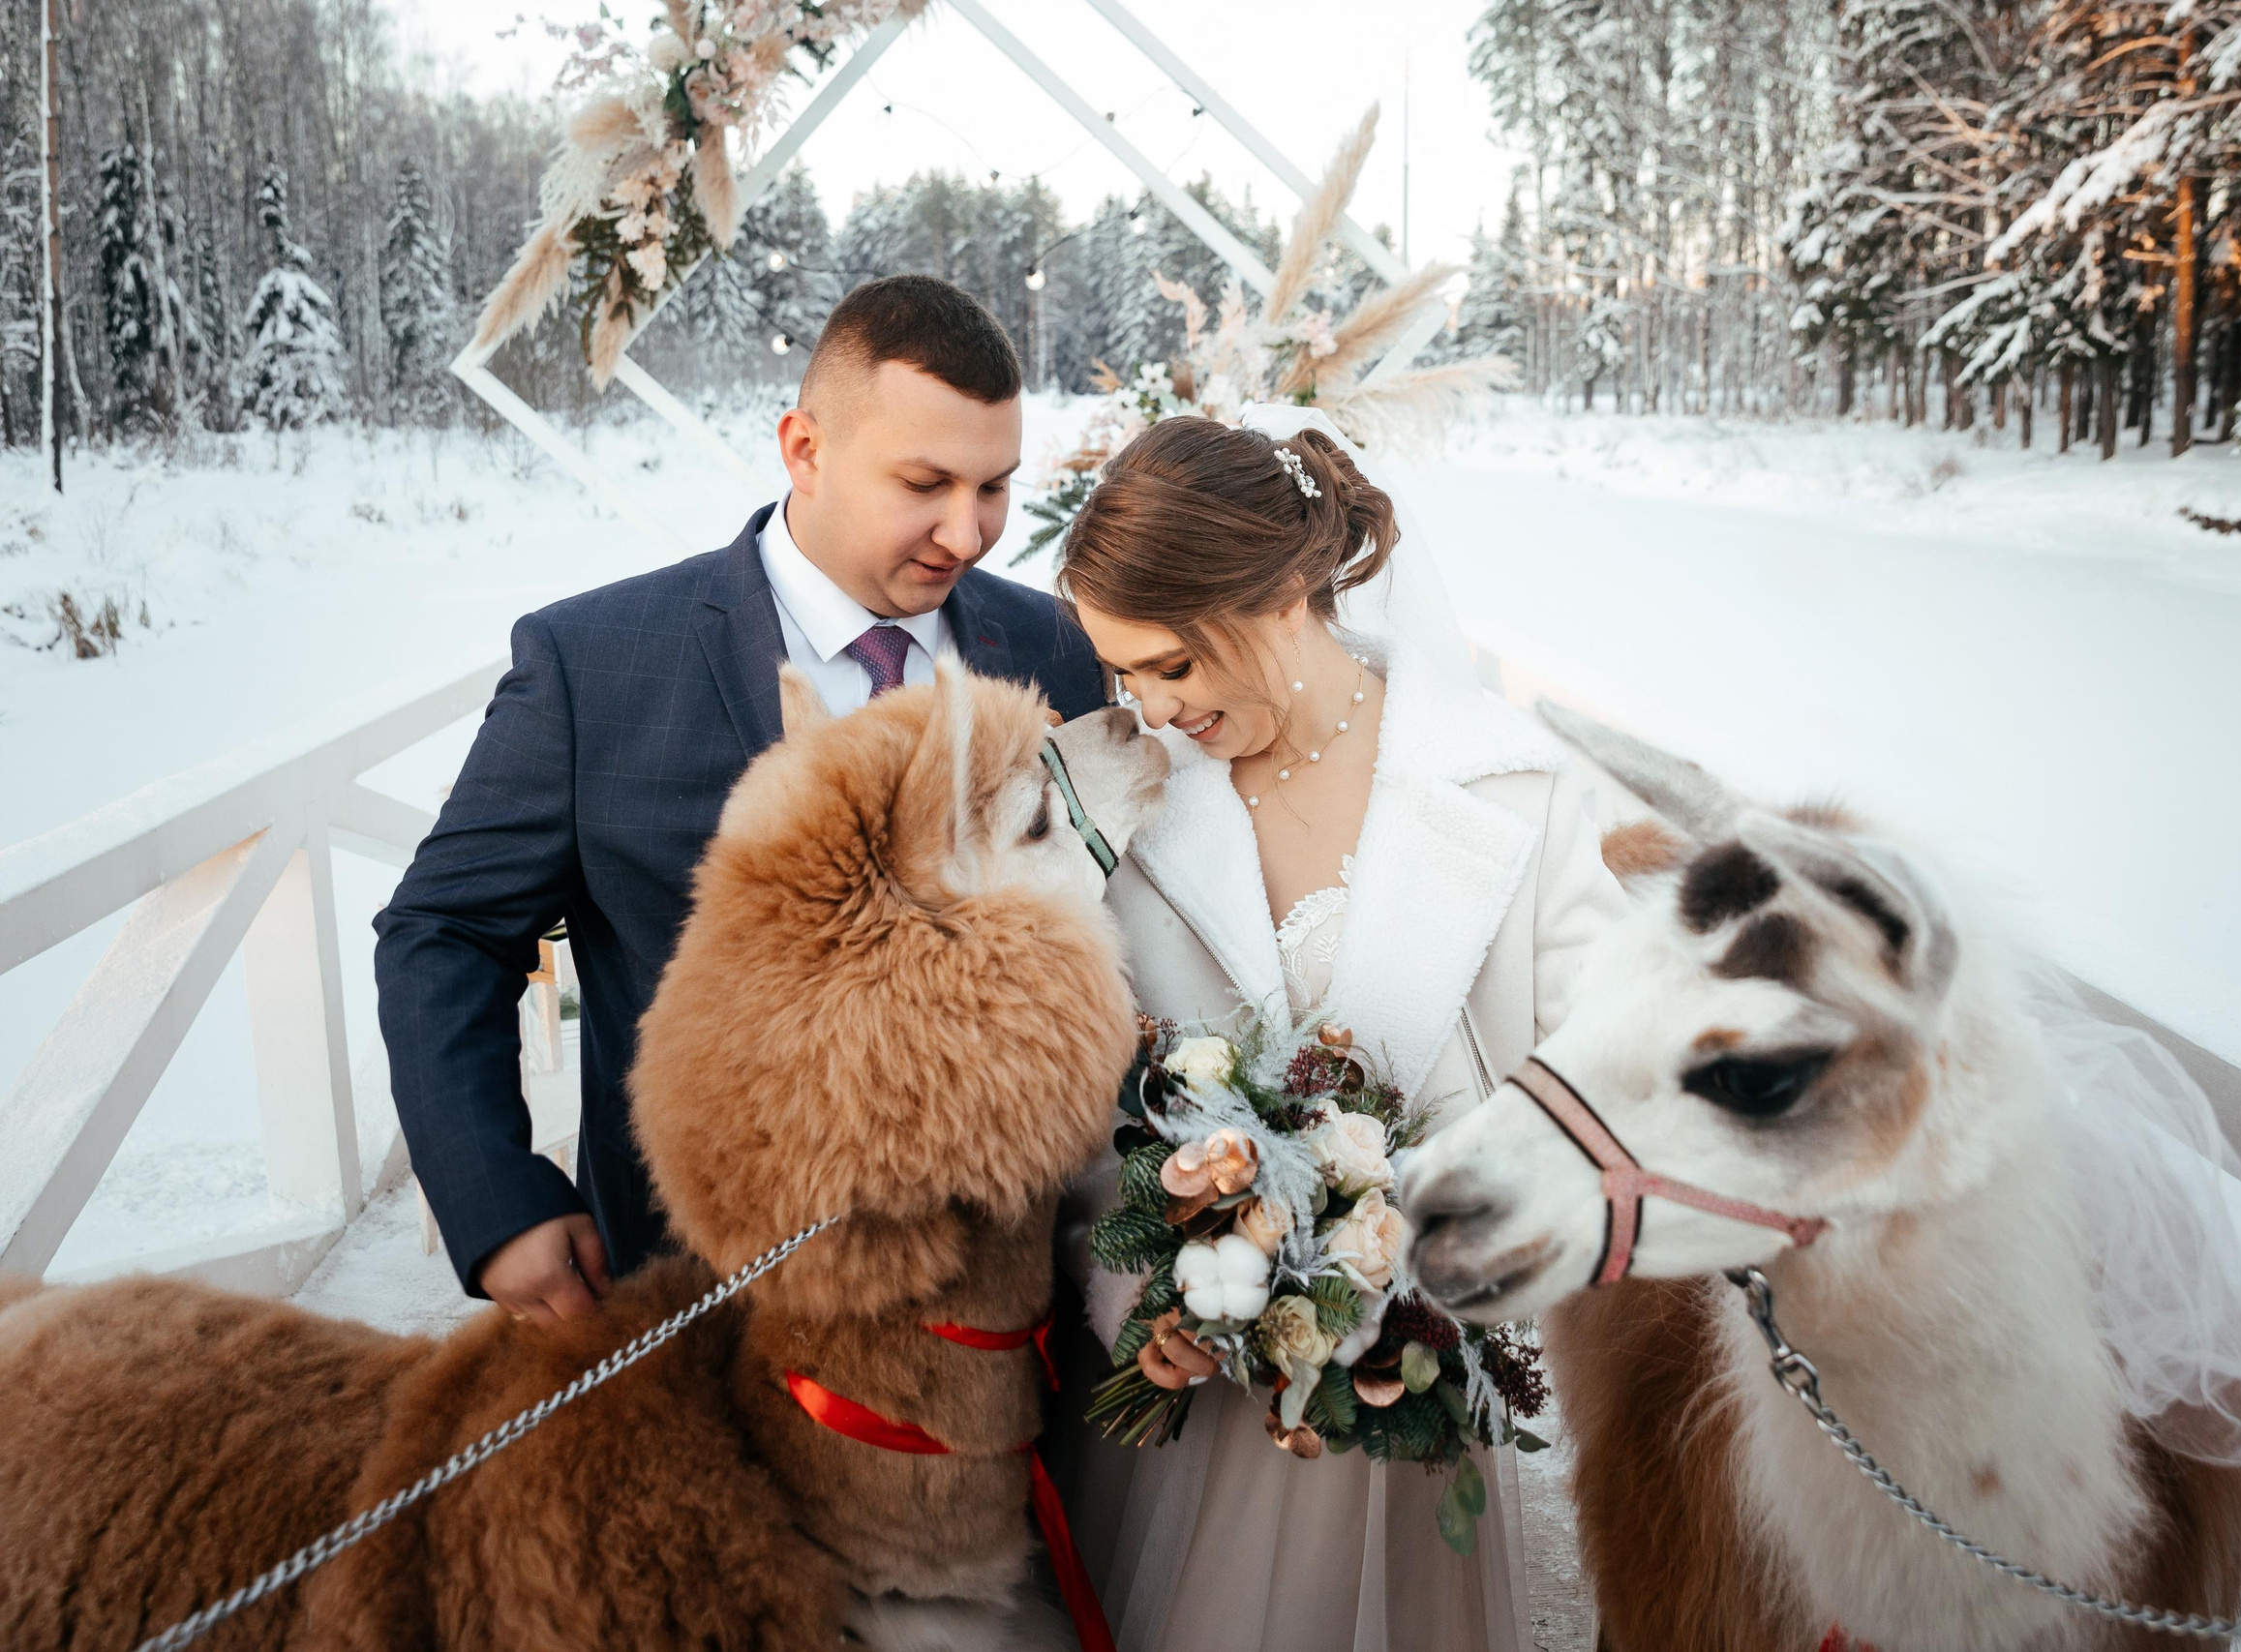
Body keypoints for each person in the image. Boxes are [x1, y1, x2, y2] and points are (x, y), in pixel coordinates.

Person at [375, 275, 1106, 1321]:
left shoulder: (1056, 652)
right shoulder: (594, 665)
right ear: (804, 449)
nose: (967, 531)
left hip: (1003, 1302)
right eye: (925, 483)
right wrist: (499, 1201)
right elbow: (442, 931)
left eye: (994, 487)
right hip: (698, 1293)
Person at [1051, 410, 1629, 1652]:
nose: (1150, 713)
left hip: (1411, 1392)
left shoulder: (1507, 789)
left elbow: (1608, 1078)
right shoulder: (1117, 806)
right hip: (1189, 1397)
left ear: (1270, 598)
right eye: (1124, 676)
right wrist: (1150, 1289)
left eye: (1172, 668)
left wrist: (1428, 1256)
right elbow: (1084, 1098)